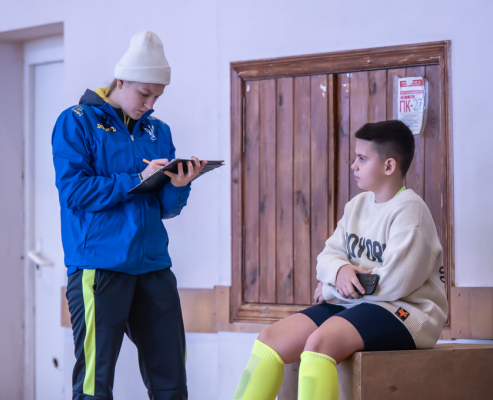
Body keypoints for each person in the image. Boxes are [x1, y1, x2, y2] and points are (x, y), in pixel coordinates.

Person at [233, 120, 449, 400]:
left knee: (319, 344)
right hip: (356, 303)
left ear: (388, 166)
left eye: (362, 159)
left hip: (406, 312)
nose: (353, 165)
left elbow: (394, 283)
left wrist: (330, 287)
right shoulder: (357, 205)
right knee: (269, 341)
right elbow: (326, 258)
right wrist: (340, 271)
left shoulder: (411, 211)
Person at [52, 31, 206, 400]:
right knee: (95, 384)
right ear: (121, 81)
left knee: (172, 382)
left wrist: (179, 185)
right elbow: (74, 192)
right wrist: (136, 179)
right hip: (99, 266)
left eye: (157, 97)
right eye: (144, 94)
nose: (150, 105)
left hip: (153, 265)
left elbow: (166, 208)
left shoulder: (159, 131)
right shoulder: (76, 121)